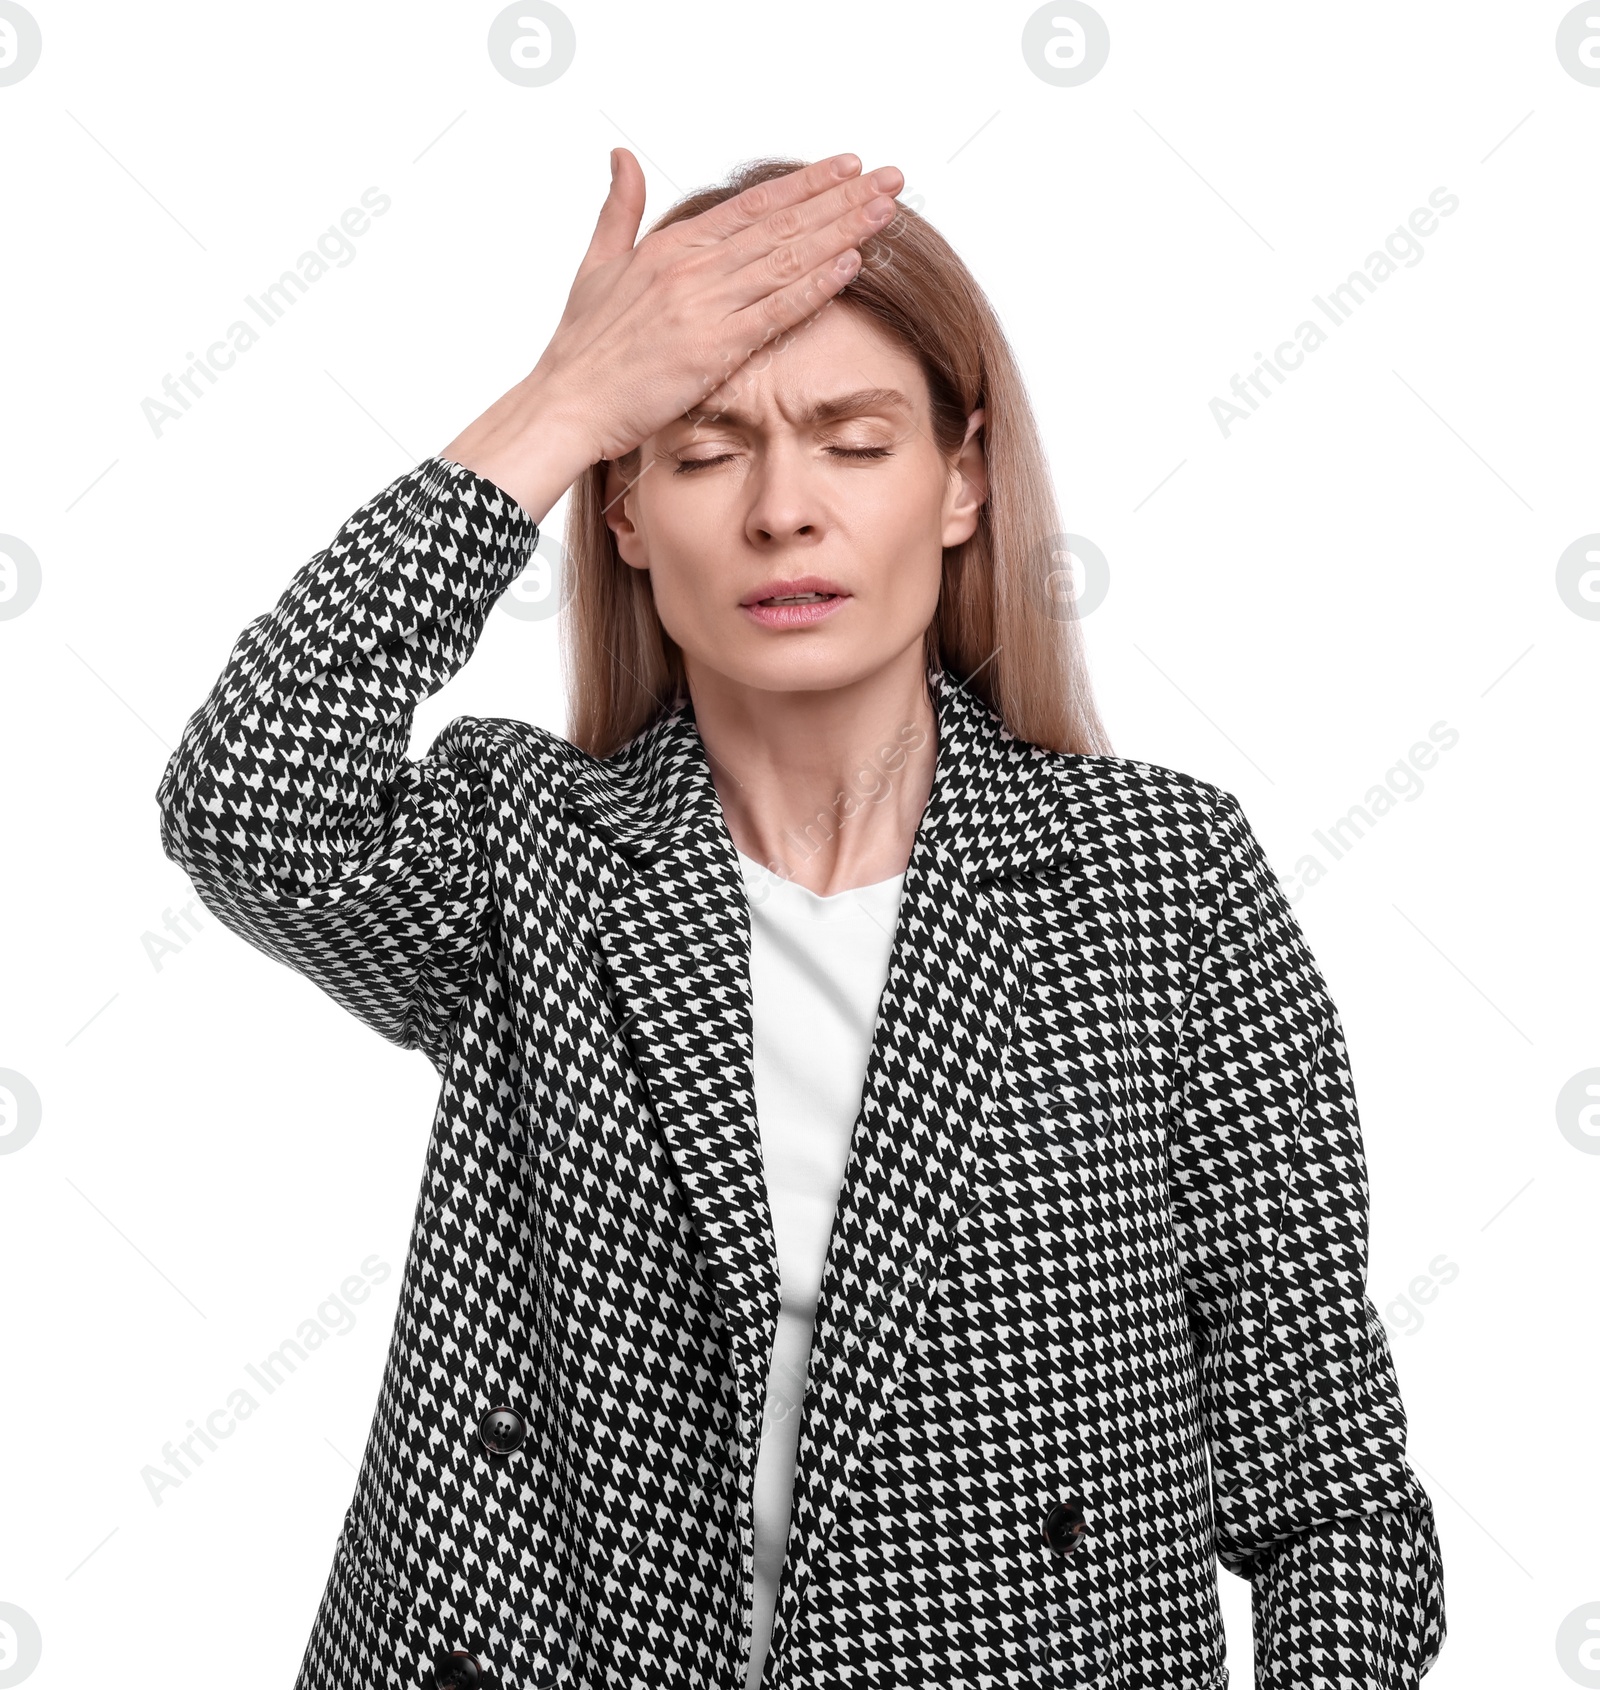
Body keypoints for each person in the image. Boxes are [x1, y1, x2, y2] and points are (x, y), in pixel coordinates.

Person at [156, 148, 1446, 1690]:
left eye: (853, 441)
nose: (783, 513)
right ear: (622, 511)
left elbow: (1332, 1495)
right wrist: (564, 403)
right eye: (702, 454)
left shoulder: (1157, 875)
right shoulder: (530, 854)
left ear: (962, 479)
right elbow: (246, 800)